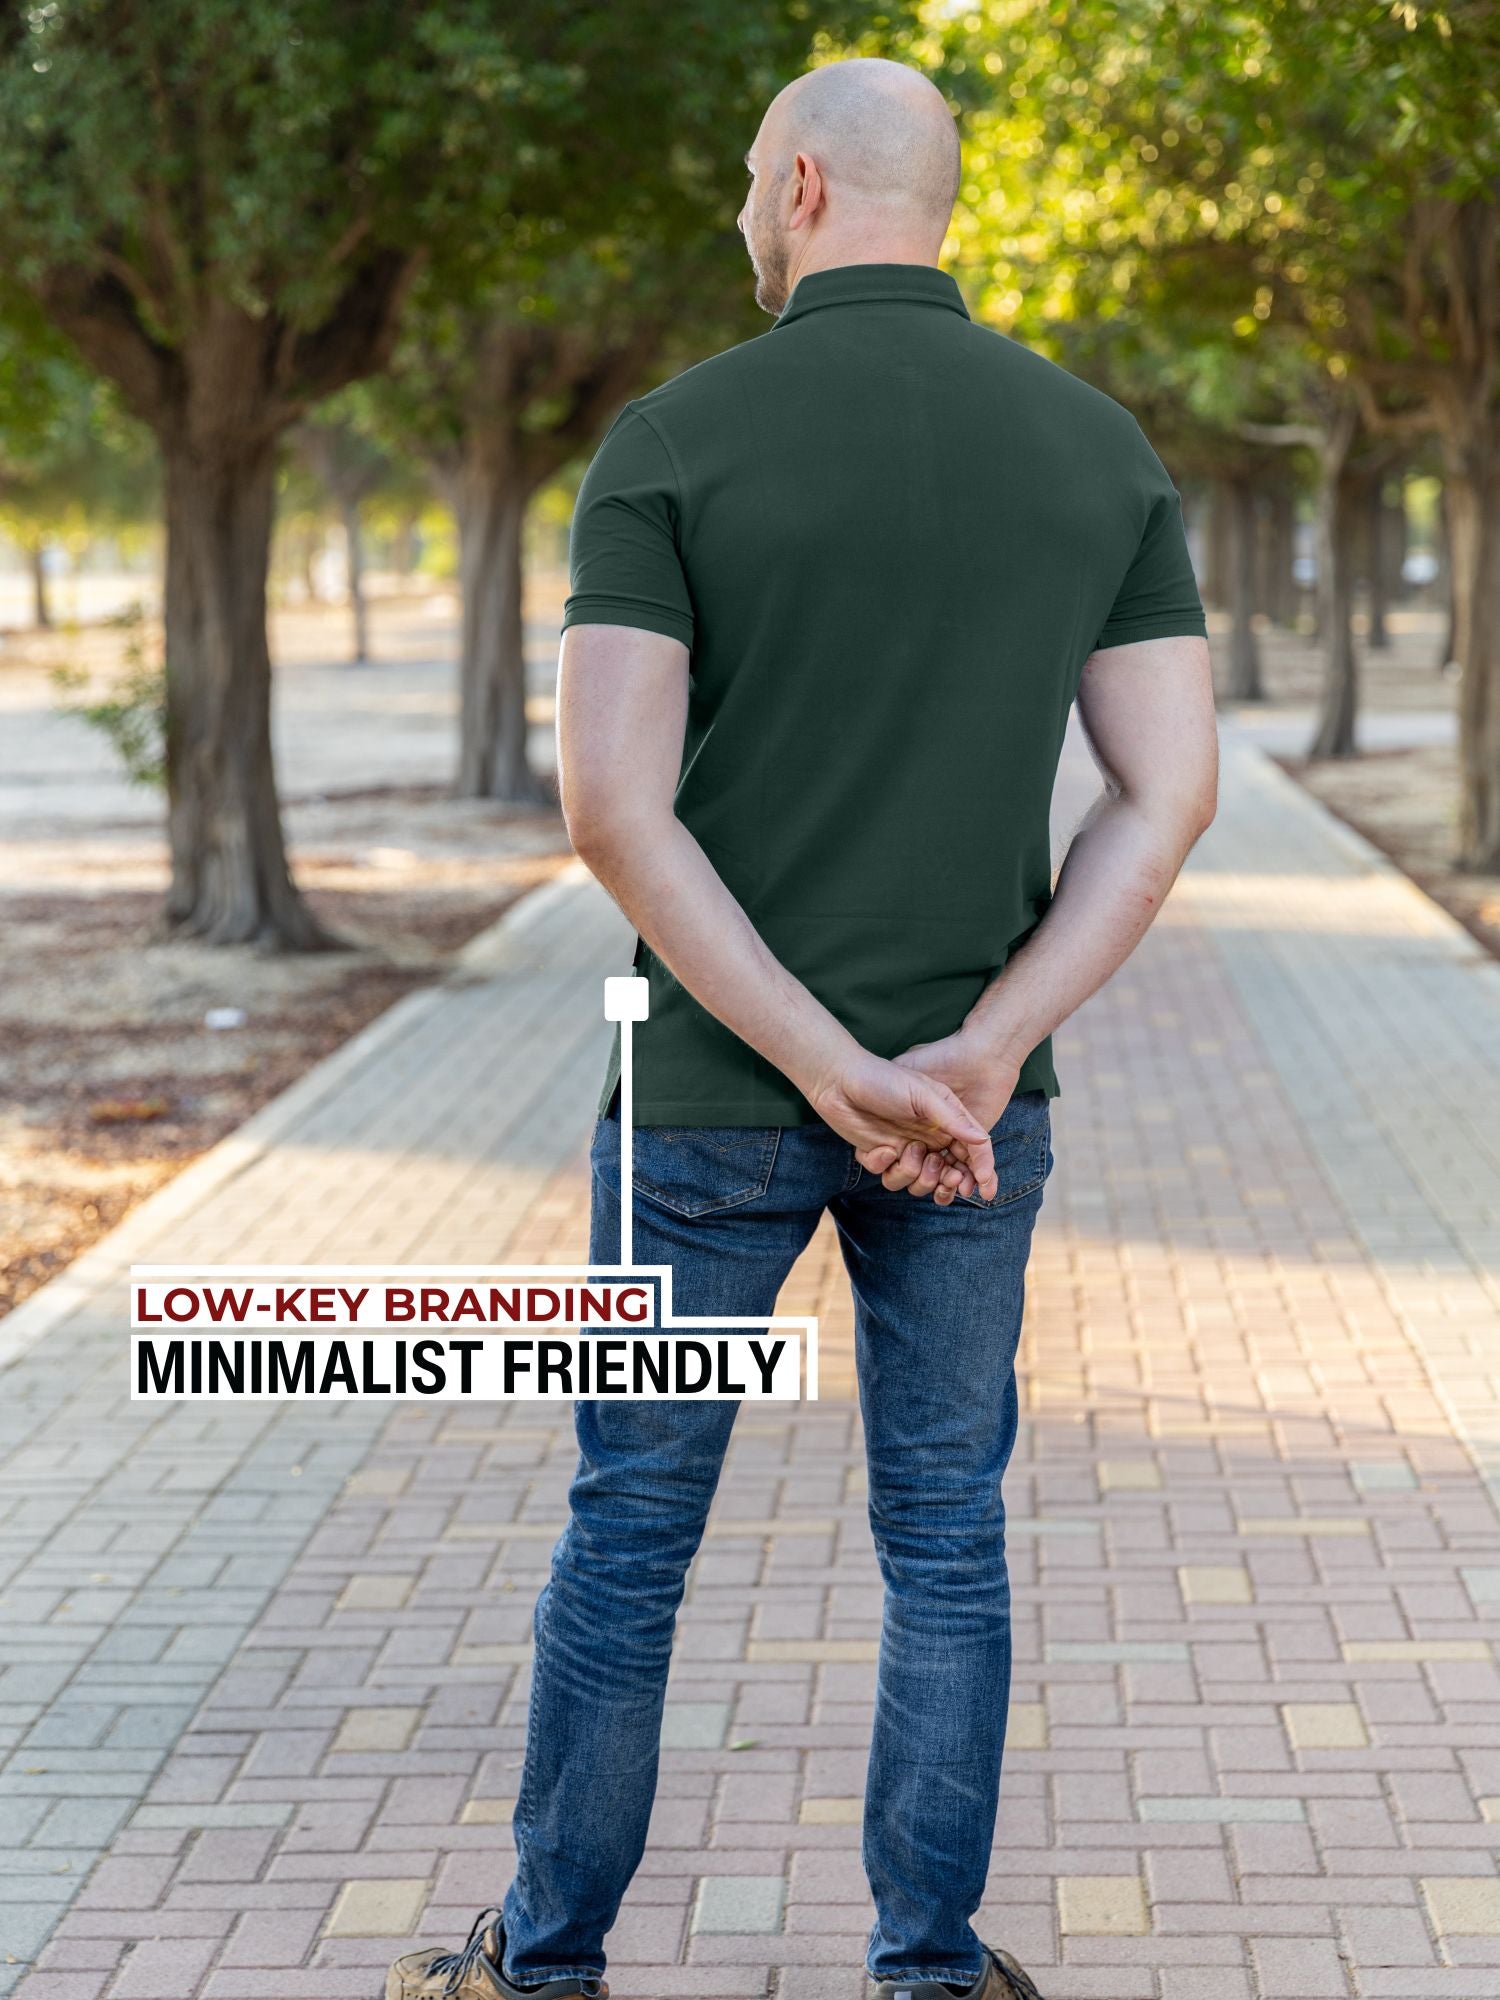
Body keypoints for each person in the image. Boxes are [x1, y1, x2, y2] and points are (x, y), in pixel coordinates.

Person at [388, 53, 1217, 2000]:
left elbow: (613, 802)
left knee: (629, 1539)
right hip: (965, 1111)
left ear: (813, 187)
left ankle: (549, 1965)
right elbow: (1164, 795)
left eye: (755, 183)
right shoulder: (1099, 452)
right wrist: (980, 1051)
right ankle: (928, 1970)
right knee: (947, 1542)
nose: (744, 218)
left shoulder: (672, 439)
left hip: (696, 1089)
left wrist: (800, 1056)